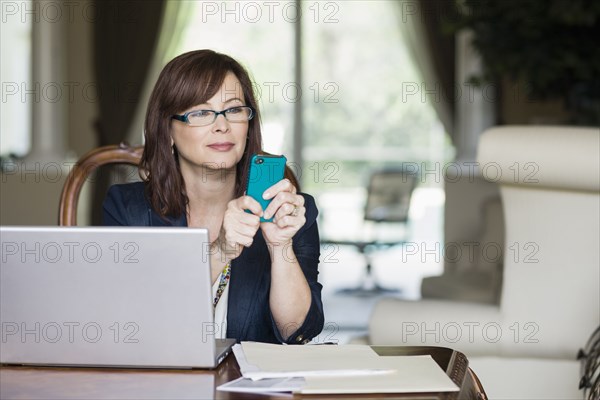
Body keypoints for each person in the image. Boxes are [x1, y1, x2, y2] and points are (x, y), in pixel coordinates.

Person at [102, 50, 324, 344]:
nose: (222, 125)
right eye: (201, 113)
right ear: (167, 128)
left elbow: (298, 331)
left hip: (250, 387)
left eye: (233, 110)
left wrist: (280, 246)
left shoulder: (290, 208)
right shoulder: (128, 209)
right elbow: (131, 322)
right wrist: (221, 249)